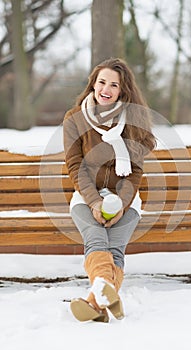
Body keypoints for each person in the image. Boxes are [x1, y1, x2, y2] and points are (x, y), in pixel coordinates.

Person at [63, 57, 156, 323]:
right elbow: (75, 166)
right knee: (96, 238)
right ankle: (104, 297)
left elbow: (135, 170)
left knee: (115, 247)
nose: (106, 88)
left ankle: (96, 303)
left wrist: (121, 205)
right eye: (102, 81)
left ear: (122, 91)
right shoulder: (74, 119)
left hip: (126, 200)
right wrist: (93, 202)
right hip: (85, 197)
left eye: (114, 85)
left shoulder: (133, 120)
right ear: (93, 84)